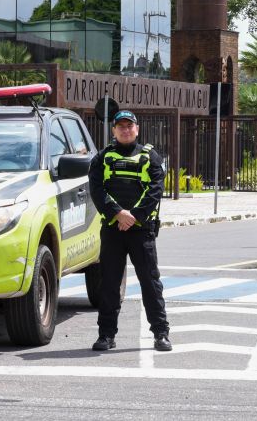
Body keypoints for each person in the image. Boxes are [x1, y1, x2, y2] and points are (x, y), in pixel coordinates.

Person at [87, 110, 172, 352]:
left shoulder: (150, 157)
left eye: (129, 126)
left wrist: (133, 217)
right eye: (120, 126)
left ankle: (161, 334)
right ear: (113, 130)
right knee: (109, 284)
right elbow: (97, 190)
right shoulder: (102, 157)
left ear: (137, 129)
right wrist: (118, 214)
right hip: (113, 229)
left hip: (141, 230)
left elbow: (155, 190)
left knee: (150, 283)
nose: (125, 130)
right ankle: (106, 335)